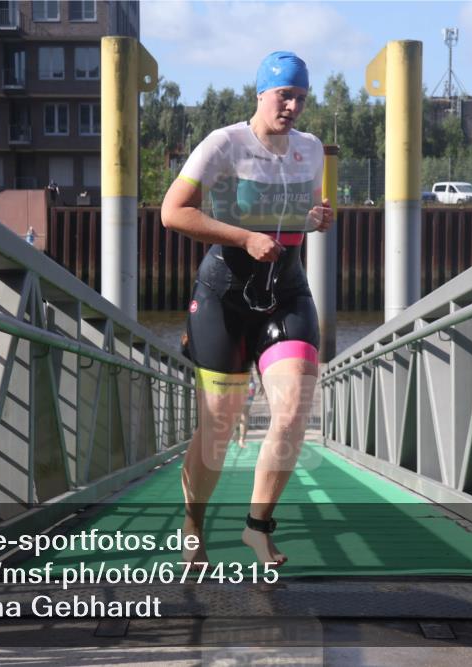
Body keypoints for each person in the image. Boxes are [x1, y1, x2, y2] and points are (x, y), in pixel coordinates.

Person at [161, 51, 332, 568]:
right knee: (218, 423)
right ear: (261, 92)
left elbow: (297, 215)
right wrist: (245, 237)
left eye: (301, 97)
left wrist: (316, 217)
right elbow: (174, 212)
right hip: (225, 294)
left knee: (294, 405)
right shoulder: (225, 143)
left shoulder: (311, 149)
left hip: (286, 292)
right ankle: (192, 522)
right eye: (285, 95)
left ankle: (257, 527)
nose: (293, 106)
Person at [235, 373, 262, 448]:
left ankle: (239, 438)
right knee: (244, 414)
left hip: (237, 385)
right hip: (248, 384)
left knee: (239, 413)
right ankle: (241, 439)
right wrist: (262, 383)